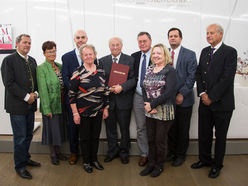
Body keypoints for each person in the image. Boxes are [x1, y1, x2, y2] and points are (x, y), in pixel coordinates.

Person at [191, 24, 237, 178]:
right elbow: (198, 74)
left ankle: (217, 165)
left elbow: (227, 78)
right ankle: (204, 160)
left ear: (220, 34)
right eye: (207, 33)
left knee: (220, 136)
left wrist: (211, 96)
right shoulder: (205, 51)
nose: (208, 35)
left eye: (211, 33)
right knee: (204, 133)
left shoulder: (230, 52)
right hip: (205, 101)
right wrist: (203, 93)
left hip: (222, 104)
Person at [1, 34, 40, 179]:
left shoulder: (32, 61)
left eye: (29, 43)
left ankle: (25, 158)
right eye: (24, 42)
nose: (27, 45)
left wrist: (35, 94)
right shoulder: (8, 60)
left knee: (29, 135)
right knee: (20, 137)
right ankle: (20, 166)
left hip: (30, 105)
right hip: (17, 106)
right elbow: (9, 83)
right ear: (17, 43)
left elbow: (36, 81)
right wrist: (26, 96)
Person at [69, 44, 109, 173]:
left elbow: (106, 91)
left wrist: (106, 108)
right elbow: (72, 95)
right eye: (85, 54)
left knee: (95, 137)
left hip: (98, 110)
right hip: (83, 112)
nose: (88, 56)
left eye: (90, 54)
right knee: (85, 138)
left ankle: (94, 159)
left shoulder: (101, 71)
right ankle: (86, 162)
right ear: (82, 56)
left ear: (95, 54)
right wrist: (75, 113)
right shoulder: (77, 72)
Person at [140, 43, 177, 177]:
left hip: (164, 110)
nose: (156, 55)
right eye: (154, 53)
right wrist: (147, 104)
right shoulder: (150, 69)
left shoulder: (170, 70)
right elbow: (143, 87)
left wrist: (152, 104)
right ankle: (151, 164)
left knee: (160, 140)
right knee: (150, 138)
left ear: (165, 55)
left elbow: (169, 93)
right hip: (149, 109)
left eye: (159, 53)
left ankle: (159, 166)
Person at [99, 37, 136, 164]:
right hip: (109, 102)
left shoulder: (130, 59)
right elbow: (100, 80)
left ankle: (124, 152)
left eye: (117, 45)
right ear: (109, 47)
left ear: (121, 46)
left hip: (124, 100)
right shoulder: (102, 61)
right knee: (110, 129)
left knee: (124, 129)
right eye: (113, 45)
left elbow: (133, 79)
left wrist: (122, 87)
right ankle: (112, 151)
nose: (115, 47)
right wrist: (109, 88)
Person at [167, 28, 197, 166]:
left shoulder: (190, 54)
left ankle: (180, 155)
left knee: (183, 129)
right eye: (170, 36)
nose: (173, 38)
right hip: (168, 100)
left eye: (175, 36)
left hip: (184, 99)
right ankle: (171, 152)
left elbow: (192, 77)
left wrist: (181, 93)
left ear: (181, 38)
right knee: (171, 128)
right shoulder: (164, 53)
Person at [37, 41, 67, 165]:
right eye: (49, 52)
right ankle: (53, 154)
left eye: (53, 51)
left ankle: (59, 152)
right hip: (50, 104)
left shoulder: (60, 66)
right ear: (44, 53)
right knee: (51, 130)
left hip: (62, 102)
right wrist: (46, 108)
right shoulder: (41, 68)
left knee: (59, 128)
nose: (52, 54)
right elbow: (42, 90)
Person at [62, 30, 88, 165]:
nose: (80, 40)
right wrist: (75, 90)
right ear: (74, 39)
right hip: (72, 99)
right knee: (73, 127)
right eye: (78, 38)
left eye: (83, 37)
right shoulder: (67, 57)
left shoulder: (91, 56)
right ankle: (74, 153)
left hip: (88, 100)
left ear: (87, 39)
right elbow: (65, 76)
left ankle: (86, 153)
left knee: (86, 128)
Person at [131, 32, 152, 166]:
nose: (142, 44)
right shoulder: (135, 56)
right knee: (141, 127)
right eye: (140, 41)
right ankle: (144, 153)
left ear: (150, 41)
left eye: (144, 41)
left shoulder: (157, 54)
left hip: (154, 97)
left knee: (155, 127)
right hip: (138, 96)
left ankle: (154, 154)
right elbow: (132, 76)